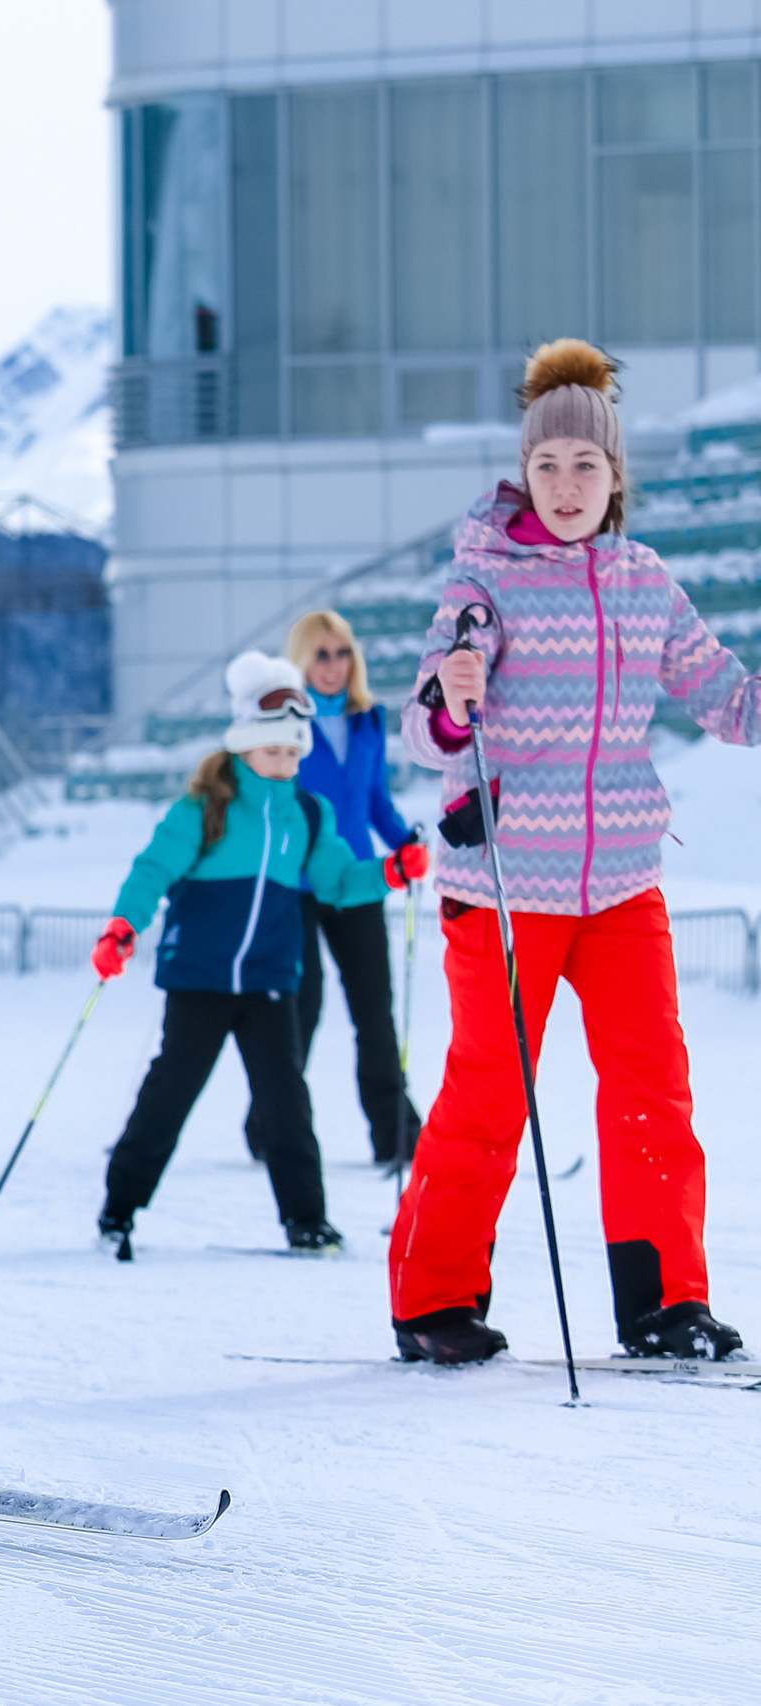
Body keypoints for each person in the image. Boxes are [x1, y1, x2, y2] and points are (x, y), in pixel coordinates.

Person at [389, 338, 761, 1367]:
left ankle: (664, 1302)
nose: (563, 485)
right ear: (523, 470)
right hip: (505, 886)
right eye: (545, 466)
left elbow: (726, 694)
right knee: (488, 1094)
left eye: (583, 466)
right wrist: (448, 697)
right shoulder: (481, 585)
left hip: (621, 884)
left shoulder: (644, 582)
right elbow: (424, 731)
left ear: (613, 476)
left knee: (653, 1088)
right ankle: (433, 1299)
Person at [91, 652, 425, 1257]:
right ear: (245, 745)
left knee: (286, 1102)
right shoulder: (206, 808)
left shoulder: (306, 813)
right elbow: (153, 870)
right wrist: (123, 926)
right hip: (200, 978)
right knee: (170, 1093)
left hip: (272, 980)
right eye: (273, 752)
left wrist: (392, 871)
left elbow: (339, 884)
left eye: (294, 754)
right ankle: (120, 1206)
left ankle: (307, 1219)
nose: (285, 764)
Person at [243, 610, 420, 1170]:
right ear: (300, 660)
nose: (334, 665)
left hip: (358, 881)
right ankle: (272, 1122)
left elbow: (372, 801)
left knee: (375, 1010)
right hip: (295, 882)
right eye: (321, 654)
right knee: (304, 1008)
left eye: (343, 653)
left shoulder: (368, 719)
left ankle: (396, 1133)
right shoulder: (284, 721)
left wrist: (402, 843)